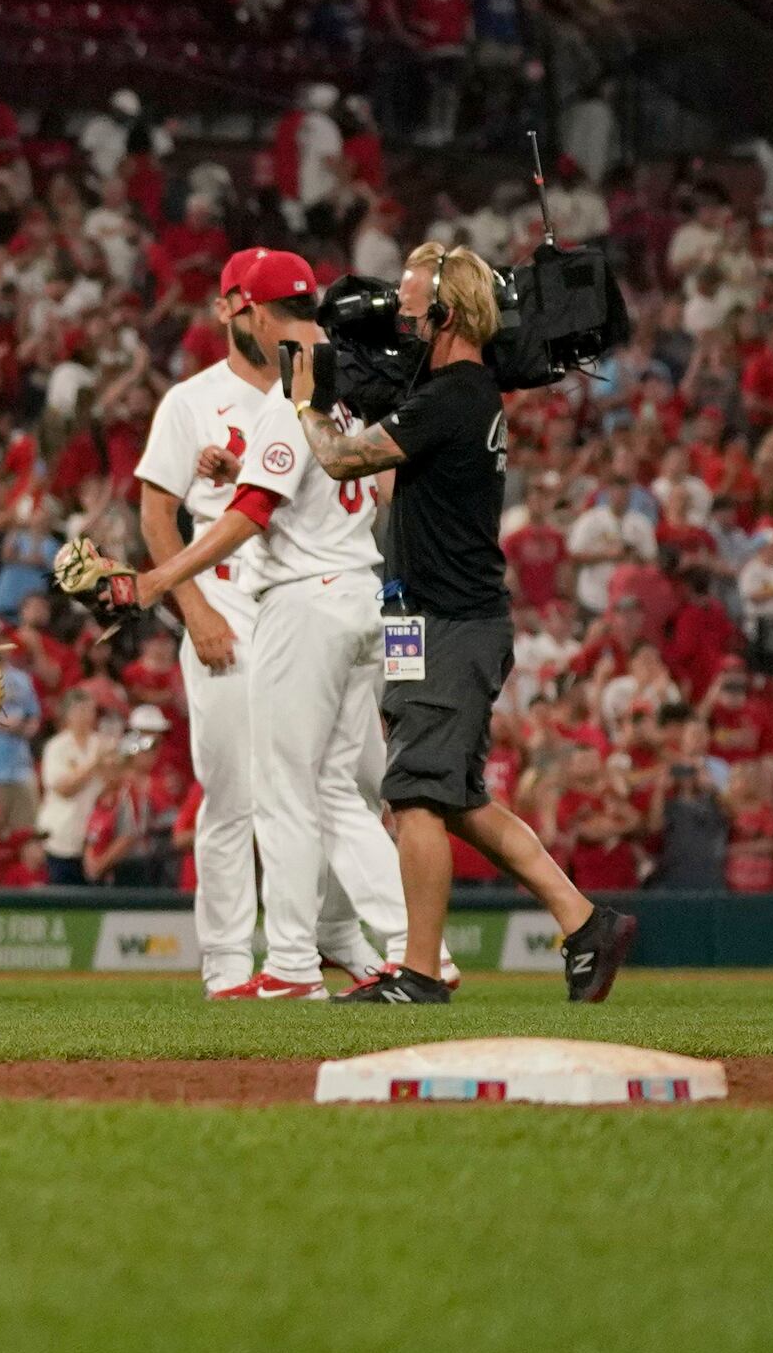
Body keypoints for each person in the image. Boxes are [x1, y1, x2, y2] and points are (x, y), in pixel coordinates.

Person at [265, 238, 640, 1005]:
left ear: (445, 311)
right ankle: (585, 921)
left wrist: (306, 399)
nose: (401, 319)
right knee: (455, 797)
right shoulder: (456, 389)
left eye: (411, 307)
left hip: (449, 622)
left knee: (414, 793)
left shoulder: (455, 396)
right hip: (422, 617)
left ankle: (422, 971)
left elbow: (340, 459)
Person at [112, 248, 406, 996]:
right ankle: (228, 960)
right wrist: (195, 608)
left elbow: (313, 497)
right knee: (239, 792)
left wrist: (157, 581)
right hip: (233, 596)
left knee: (335, 785)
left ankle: (325, 941)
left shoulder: (316, 388)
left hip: (296, 590)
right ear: (227, 309)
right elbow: (156, 510)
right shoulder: (194, 399)